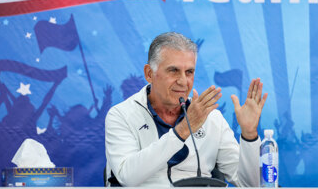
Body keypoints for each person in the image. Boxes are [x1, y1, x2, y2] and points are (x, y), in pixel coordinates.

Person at [105, 32, 268, 187]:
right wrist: (182, 130)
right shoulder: (121, 115)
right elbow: (127, 177)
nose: (183, 81)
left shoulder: (211, 118)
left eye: (189, 72)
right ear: (149, 73)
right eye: (173, 70)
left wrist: (249, 135)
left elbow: (250, 184)